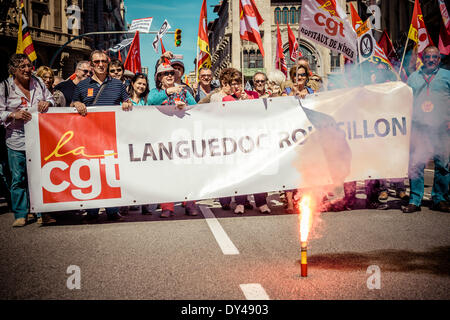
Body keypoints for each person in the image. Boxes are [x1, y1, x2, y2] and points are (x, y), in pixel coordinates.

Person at [72, 50, 132, 223]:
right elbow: (70, 106)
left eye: (103, 61)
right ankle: (92, 211)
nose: (100, 64)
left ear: (107, 63)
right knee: (92, 173)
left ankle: (113, 210)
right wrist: (76, 103)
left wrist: (127, 103)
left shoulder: (118, 84)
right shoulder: (82, 86)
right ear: (91, 64)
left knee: (110, 173)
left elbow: (126, 101)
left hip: (110, 138)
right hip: (88, 138)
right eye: (96, 61)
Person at [0, 54, 54, 227]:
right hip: (16, 139)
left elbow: (51, 99)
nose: (27, 69)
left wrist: (48, 104)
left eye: (29, 66)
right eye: (22, 66)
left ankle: (41, 213)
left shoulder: (38, 82)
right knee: (18, 177)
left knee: (39, 176)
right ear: (13, 70)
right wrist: (12, 114)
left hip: (39, 137)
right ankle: (21, 214)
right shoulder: (5, 87)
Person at [147, 62, 199, 218]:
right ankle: (167, 207)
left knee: (187, 172)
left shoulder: (183, 90)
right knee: (167, 173)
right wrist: (169, 91)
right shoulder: (155, 92)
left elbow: (196, 106)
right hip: (164, 138)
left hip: (183, 137)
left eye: (171, 73)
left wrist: (186, 106)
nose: (169, 75)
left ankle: (189, 204)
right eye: (165, 74)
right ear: (159, 78)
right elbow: (151, 101)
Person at [402, 46, 449, 213]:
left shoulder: (447, 76)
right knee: (416, 164)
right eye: (427, 56)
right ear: (423, 58)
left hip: (442, 128)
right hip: (419, 128)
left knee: (443, 165)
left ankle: (440, 199)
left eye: (434, 57)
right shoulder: (413, 77)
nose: (430, 60)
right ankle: (415, 200)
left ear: (439, 59)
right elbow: (405, 101)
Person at [220, 69, 270, 214]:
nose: (237, 87)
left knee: (258, 172)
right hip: (237, 141)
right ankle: (240, 202)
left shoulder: (253, 95)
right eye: (233, 84)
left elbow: (260, 110)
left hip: (254, 140)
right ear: (229, 85)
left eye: (239, 84)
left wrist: (248, 101)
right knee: (240, 173)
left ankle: (261, 202)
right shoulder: (227, 99)